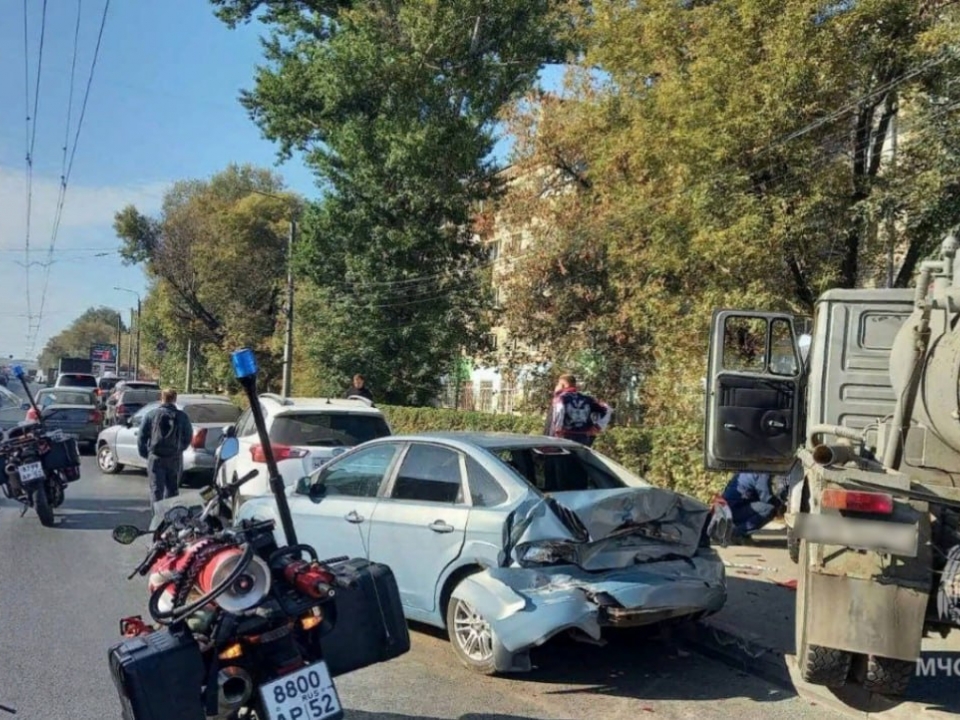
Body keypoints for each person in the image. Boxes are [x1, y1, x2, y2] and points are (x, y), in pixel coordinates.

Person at [138, 388, 193, 505]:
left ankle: (158, 519)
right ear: (175, 399)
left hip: (155, 457)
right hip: (174, 457)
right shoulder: (182, 416)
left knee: (156, 490)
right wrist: (180, 449)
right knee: (172, 490)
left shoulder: (151, 415)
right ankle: (170, 518)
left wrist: (146, 454)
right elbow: (188, 436)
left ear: (161, 398)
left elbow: (141, 437)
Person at [718, 471, 790, 543]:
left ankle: (741, 532)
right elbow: (765, 497)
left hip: (727, 510)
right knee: (769, 509)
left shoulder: (749, 469)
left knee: (761, 505)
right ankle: (737, 533)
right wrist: (781, 506)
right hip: (733, 511)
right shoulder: (761, 473)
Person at [544, 373, 612, 446]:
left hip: (564, 437)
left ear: (563, 384)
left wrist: (557, 429)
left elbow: (559, 410)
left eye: (558, 384)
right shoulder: (588, 399)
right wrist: (598, 427)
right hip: (583, 438)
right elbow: (607, 409)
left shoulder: (560, 398)